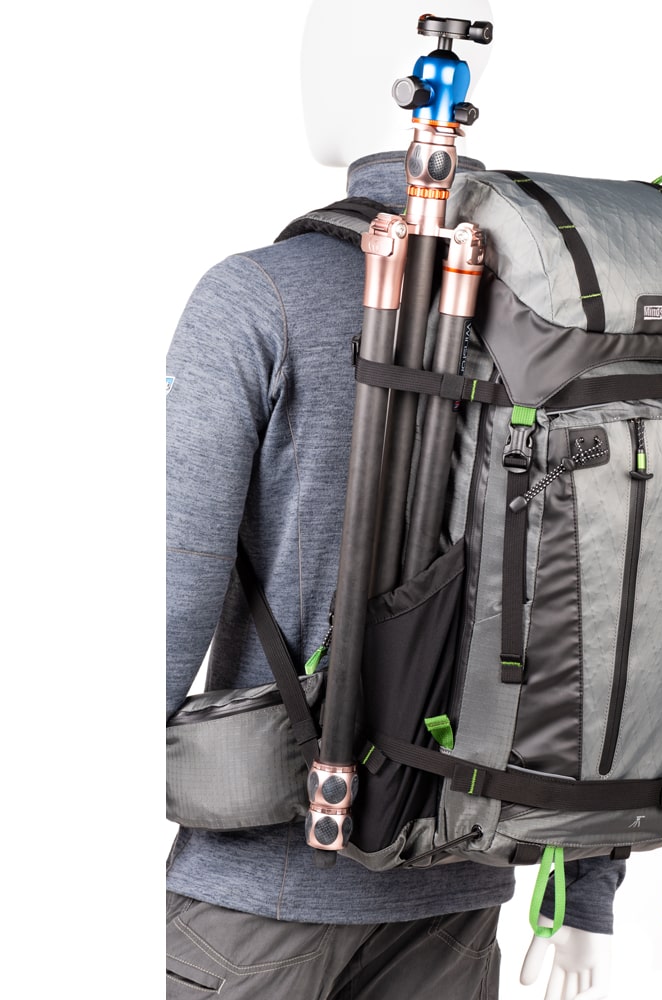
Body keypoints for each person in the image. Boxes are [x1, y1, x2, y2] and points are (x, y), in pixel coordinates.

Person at [166, 2, 623, 997]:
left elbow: (172, 586)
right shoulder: (558, 321)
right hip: (459, 889)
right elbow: (603, 609)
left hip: (259, 901)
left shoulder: (257, 295)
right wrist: (586, 888)